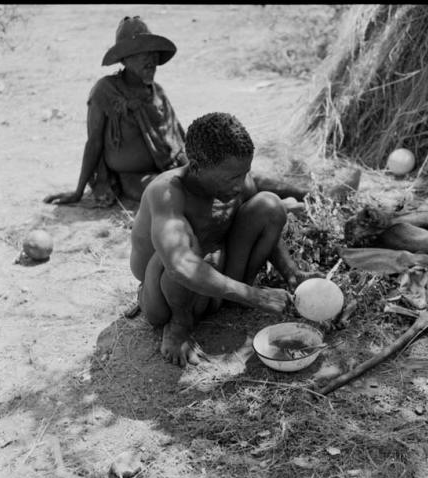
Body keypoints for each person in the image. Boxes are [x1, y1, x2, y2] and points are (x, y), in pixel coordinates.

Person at [44, 16, 308, 209]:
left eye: (152, 54)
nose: (150, 60)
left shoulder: (156, 91)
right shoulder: (105, 92)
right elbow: (94, 142)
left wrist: (207, 163)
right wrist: (78, 191)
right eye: (139, 55)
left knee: (238, 176)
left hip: (173, 163)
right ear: (124, 60)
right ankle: (271, 209)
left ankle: (307, 195)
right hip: (136, 177)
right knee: (187, 192)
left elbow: (181, 137)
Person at [130, 112, 318, 367]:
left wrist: (292, 273)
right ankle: (179, 326)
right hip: (164, 300)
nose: (241, 184)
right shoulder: (166, 192)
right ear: (196, 168)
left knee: (269, 205)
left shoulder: (236, 180)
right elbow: (180, 265)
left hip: (220, 286)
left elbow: (262, 221)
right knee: (184, 248)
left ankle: (234, 301)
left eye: (245, 173)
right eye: (232, 177)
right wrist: (256, 297)